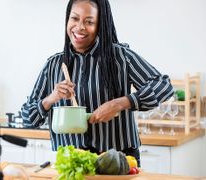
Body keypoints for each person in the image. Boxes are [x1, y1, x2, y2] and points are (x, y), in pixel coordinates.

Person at [21, 0, 173, 167]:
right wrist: (50, 99)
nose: (79, 27)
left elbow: (163, 86)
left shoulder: (121, 57)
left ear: (100, 24)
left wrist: (120, 103)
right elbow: (28, 119)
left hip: (117, 160)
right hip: (71, 162)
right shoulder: (53, 65)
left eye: (89, 21)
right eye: (75, 19)